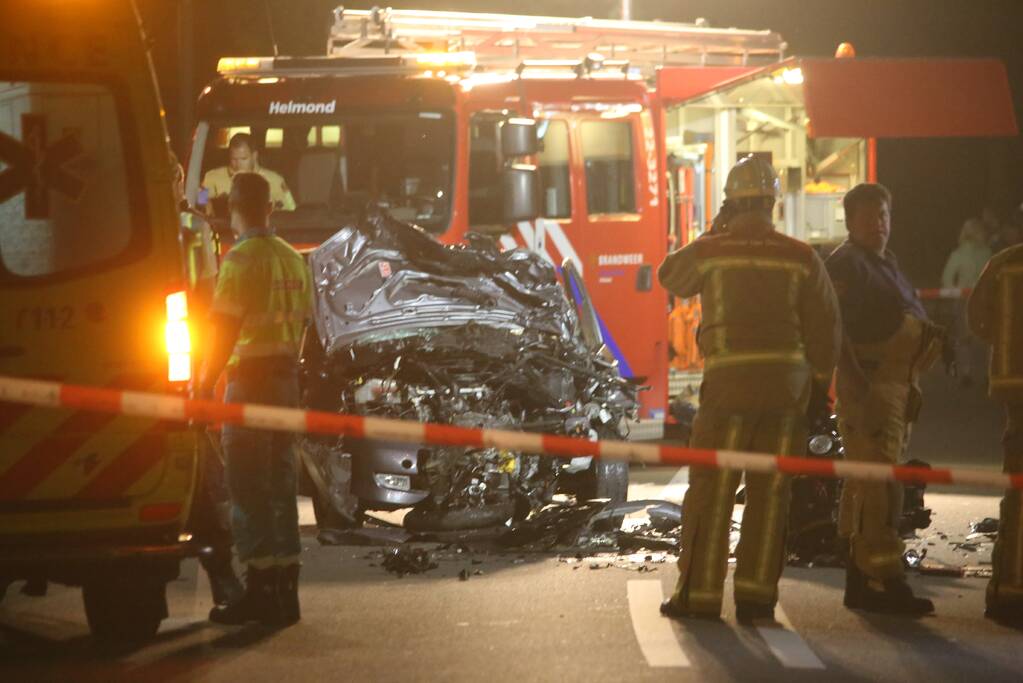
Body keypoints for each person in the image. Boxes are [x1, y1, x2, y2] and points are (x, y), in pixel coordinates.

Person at [657, 155, 841, 623]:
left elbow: (669, 276)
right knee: (770, 496)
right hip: (786, 397)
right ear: (773, 203)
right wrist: (819, 391)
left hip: (727, 393)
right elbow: (826, 329)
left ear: (730, 204)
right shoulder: (801, 256)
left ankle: (698, 596)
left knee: (712, 492)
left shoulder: (714, 250)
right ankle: (757, 599)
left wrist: (713, 231)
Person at [199, 172, 312, 627]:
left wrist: (205, 382)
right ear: (270, 206)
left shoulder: (240, 260)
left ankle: (260, 591)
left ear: (233, 211)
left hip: (249, 385)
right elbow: (304, 327)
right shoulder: (292, 258)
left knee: (247, 487)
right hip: (287, 384)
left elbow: (224, 329)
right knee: (282, 486)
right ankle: (287, 591)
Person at [826, 183, 943, 615]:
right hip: (871, 388)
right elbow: (835, 329)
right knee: (878, 486)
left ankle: (861, 579)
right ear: (850, 220)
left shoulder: (885, 263)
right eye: (871, 216)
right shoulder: (846, 265)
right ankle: (883, 580)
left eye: (885, 216)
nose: (880, 224)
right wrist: (855, 381)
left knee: (869, 484)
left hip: (897, 385)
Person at [168, 151, 243, 608]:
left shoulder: (189, 227)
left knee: (200, 470)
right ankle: (224, 579)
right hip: (179, 362)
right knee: (201, 473)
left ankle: (223, 579)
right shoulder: (193, 228)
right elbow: (210, 302)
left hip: (171, 359)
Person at [967, 241, 1023, 628]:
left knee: (1016, 495)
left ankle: (1005, 588)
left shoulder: (1003, 264)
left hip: (1013, 391)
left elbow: (977, 320)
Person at [942, 218, 993, 385]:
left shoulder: (958, 254)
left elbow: (947, 278)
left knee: (965, 339)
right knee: (988, 338)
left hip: (964, 299)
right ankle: (988, 373)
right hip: (984, 297)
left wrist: (954, 292)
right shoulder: (987, 252)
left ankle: (966, 373)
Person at [202, 133, 296, 215]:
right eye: (234, 159)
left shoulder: (276, 180)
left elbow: (291, 210)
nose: (237, 164)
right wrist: (210, 203)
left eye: (243, 159)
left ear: (254, 156)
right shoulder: (211, 177)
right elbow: (200, 203)